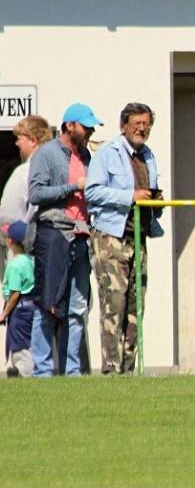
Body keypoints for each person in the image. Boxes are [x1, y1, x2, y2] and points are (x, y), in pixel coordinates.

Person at [85, 102, 163, 375]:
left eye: (146, 124)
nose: (142, 129)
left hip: (139, 237)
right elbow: (92, 193)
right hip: (110, 237)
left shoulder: (148, 156)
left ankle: (129, 371)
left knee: (135, 305)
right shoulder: (108, 153)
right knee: (113, 304)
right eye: (136, 124)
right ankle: (111, 370)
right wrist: (129, 197)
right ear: (123, 126)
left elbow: (149, 193)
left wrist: (157, 201)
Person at [28, 102, 101, 378]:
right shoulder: (47, 154)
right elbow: (36, 194)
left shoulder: (86, 156)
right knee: (47, 304)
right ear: (69, 125)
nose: (91, 130)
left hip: (82, 237)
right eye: (86, 125)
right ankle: (42, 372)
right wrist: (74, 187)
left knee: (77, 307)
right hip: (54, 234)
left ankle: (73, 373)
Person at [0, 116, 52, 276]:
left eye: (19, 138)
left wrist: (5, 239)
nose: (16, 143)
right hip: (54, 254)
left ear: (33, 141)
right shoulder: (58, 168)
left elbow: (7, 217)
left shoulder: (23, 172)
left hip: (24, 255)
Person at [1, 221, 35, 377]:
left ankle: (23, 373)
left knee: (19, 347)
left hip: (19, 309)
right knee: (29, 344)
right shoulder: (30, 260)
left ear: (10, 241)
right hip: (30, 305)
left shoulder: (15, 265)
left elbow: (15, 294)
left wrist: (4, 314)